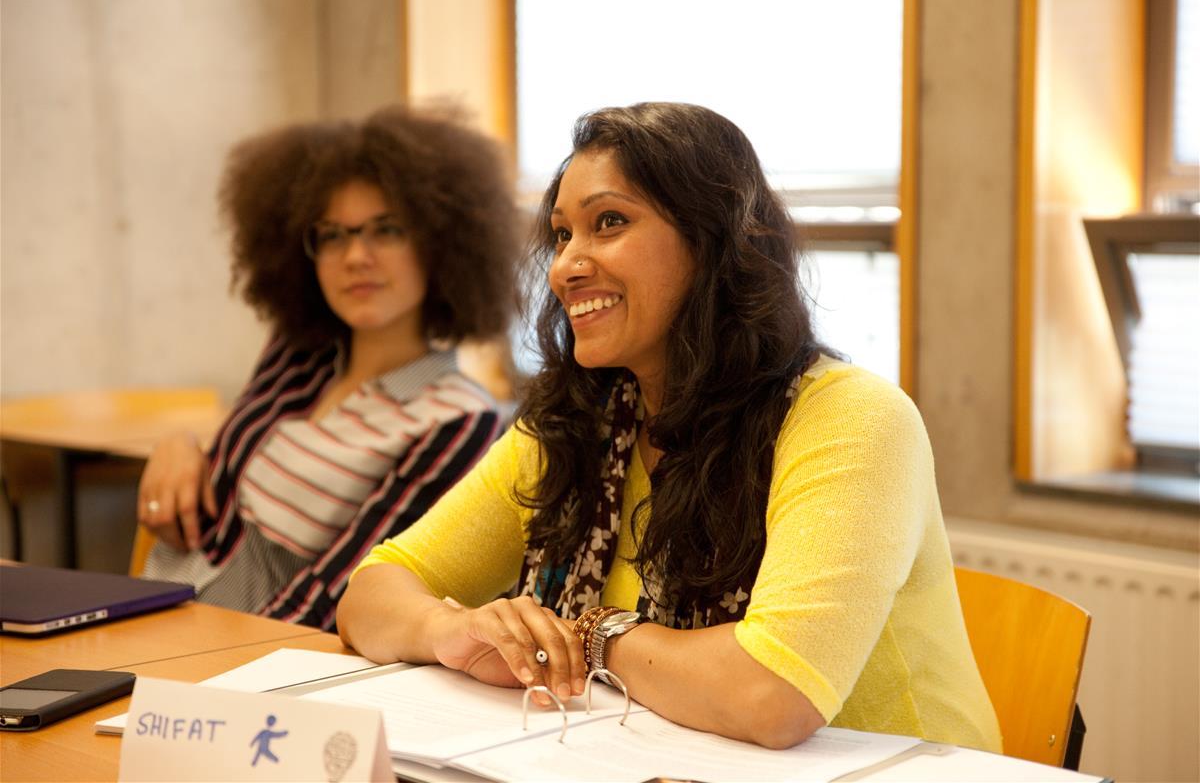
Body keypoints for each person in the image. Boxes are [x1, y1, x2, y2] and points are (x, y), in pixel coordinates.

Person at [336, 102, 1002, 751]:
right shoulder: (577, 422)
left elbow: (771, 698)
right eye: (563, 234)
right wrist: (448, 629)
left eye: (610, 222)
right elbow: (372, 591)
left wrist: (592, 634)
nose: (567, 266)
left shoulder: (853, 418)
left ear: (716, 244)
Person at [138, 105, 518, 631]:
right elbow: (225, 488)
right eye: (333, 235)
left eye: (385, 230)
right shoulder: (298, 354)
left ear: (440, 246)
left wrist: (205, 669)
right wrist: (180, 443)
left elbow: (340, 595)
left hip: (249, 664)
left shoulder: (456, 420)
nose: (356, 256)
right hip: (150, 613)